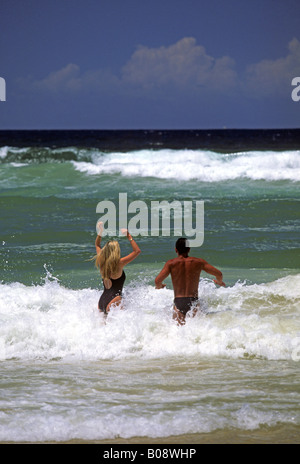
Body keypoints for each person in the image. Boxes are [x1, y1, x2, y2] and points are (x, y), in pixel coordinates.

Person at [155, 237, 225, 325]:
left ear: (176, 250)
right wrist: (219, 282)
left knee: (177, 332)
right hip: (193, 301)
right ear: (189, 249)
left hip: (178, 301)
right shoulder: (199, 262)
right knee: (195, 331)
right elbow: (219, 274)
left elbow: (157, 281)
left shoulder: (171, 263)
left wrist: (159, 286)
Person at [94, 222, 141, 315]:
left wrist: (100, 232)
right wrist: (129, 236)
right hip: (114, 300)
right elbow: (137, 251)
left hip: (102, 302)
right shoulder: (119, 263)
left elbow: (97, 245)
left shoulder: (101, 261)